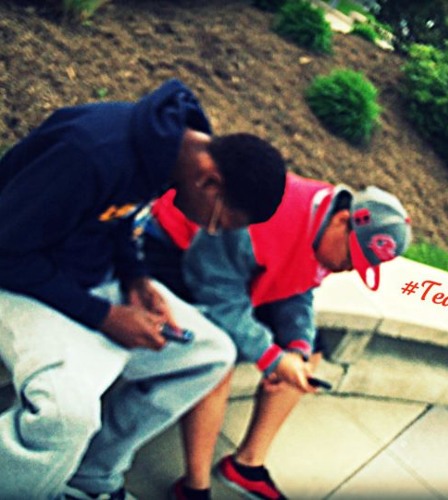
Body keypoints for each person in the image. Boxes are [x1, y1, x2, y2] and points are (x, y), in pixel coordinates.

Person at [0, 78, 287, 500]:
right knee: (66, 415)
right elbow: (7, 252)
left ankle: (92, 477)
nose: (208, 230)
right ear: (210, 182)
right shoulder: (89, 153)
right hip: (19, 281)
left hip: (87, 277)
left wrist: (137, 278)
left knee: (211, 354)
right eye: (217, 223)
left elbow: (118, 219)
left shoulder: (169, 159)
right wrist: (105, 317)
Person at [142, 171, 412, 500]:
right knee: (219, 358)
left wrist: (297, 349)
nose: (349, 268)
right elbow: (218, 298)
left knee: (310, 352)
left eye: (362, 264)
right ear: (343, 221)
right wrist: (271, 358)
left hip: (234, 273)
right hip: (175, 251)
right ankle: (194, 489)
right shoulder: (265, 220)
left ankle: (246, 465)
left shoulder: (326, 224)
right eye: (351, 257)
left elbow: (300, 287)